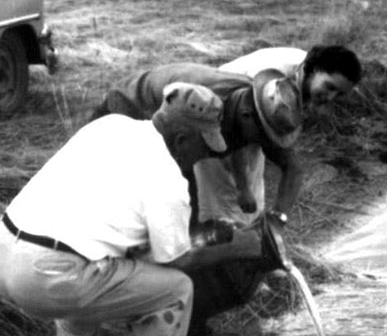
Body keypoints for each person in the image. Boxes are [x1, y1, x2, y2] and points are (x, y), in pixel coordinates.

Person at [0, 82, 279, 336]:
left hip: (0, 251)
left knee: (93, 258)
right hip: (46, 278)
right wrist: (242, 245)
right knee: (175, 291)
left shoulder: (110, 126)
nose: (205, 158)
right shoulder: (168, 180)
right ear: (182, 139)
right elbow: (175, 261)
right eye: (204, 147)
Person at [89, 62, 303, 228]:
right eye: (265, 135)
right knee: (125, 194)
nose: (266, 143)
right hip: (130, 107)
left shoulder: (254, 106)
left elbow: (289, 165)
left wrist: (272, 212)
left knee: (183, 202)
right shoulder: (202, 107)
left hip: (174, 129)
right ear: (248, 116)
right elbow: (176, 165)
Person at [194, 44, 363, 228]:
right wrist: (243, 188)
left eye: (339, 94)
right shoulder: (272, 80)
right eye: (330, 87)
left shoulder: (306, 76)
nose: (331, 97)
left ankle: (253, 235)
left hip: (251, 118)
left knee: (252, 205)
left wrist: (278, 216)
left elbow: (289, 163)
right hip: (214, 112)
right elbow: (236, 134)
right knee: (226, 204)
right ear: (314, 70)